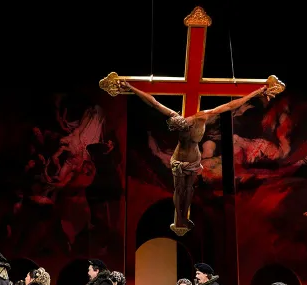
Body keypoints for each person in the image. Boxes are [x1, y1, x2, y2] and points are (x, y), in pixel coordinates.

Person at [121, 78, 284, 234]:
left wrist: (257, 92)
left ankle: (183, 219)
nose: (181, 125)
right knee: (179, 189)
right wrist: (130, 87)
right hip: (179, 159)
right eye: (178, 125)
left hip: (194, 159)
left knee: (189, 189)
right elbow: (152, 102)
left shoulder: (203, 117)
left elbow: (231, 105)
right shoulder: (176, 117)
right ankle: (179, 219)